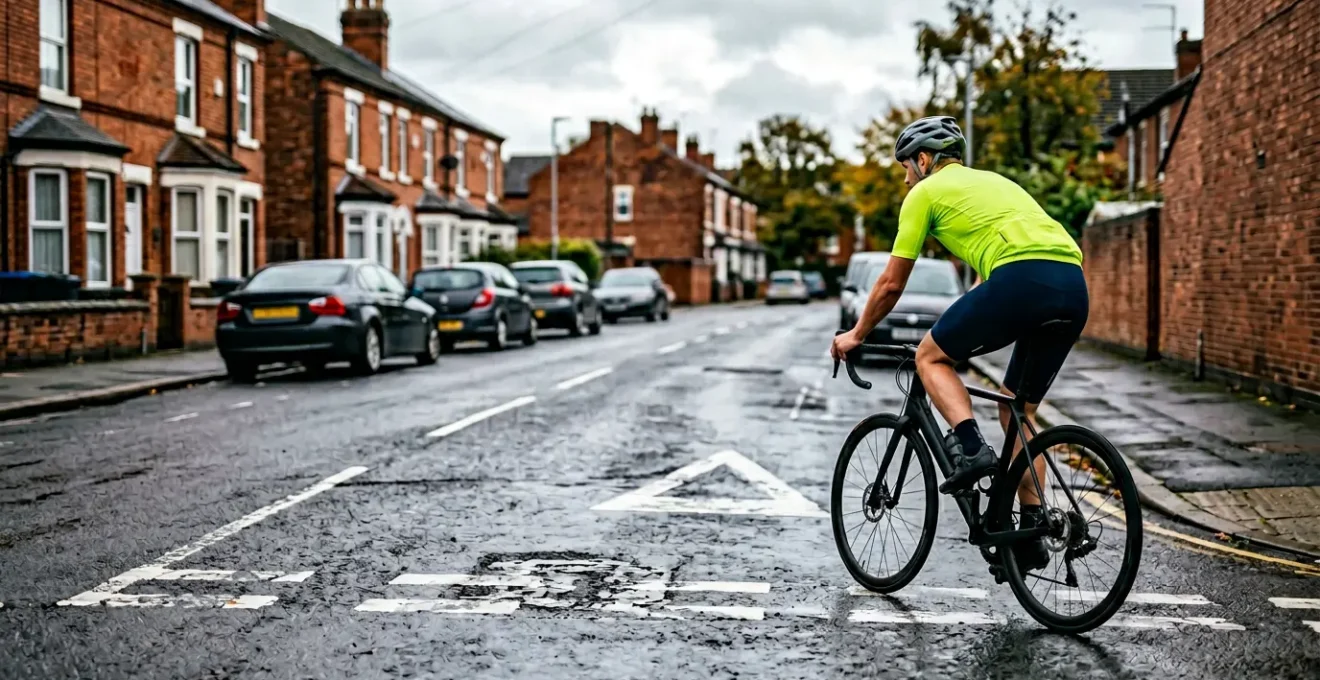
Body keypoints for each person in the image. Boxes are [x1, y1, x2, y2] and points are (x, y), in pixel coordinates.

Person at [829, 115, 1089, 570]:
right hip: (1071, 284)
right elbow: (1001, 272)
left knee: (931, 356)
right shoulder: (994, 183)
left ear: (924, 160)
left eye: (907, 167)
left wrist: (856, 334)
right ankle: (1031, 528)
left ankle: (970, 448)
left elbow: (891, 283)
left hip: (1022, 279)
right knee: (1017, 408)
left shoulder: (924, 194)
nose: (906, 177)